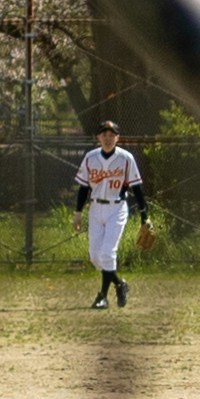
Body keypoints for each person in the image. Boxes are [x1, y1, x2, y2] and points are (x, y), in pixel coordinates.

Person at [74, 121, 149, 304]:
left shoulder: (126, 158)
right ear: (98, 137)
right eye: (104, 134)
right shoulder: (90, 158)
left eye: (111, 135)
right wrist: (77, 212)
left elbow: (137, 187)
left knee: (108, 254)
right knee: (95, 257)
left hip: (117, 208)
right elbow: (84, 187)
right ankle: (119, 283)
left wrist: (144, 216)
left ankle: (103, 297)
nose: (107, 138)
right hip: (95, 208)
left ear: (117, 138)